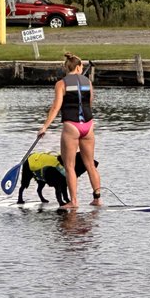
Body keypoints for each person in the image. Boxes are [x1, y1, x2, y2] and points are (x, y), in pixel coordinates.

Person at [38, 52, 102, 208]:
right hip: (88, 125)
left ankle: (73, 202)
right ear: (79, 67)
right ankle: (97, 198)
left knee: (69, 166)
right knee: (89, 164)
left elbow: (56, 107)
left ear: (67, 68)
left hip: (71, 127)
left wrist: (44, 126)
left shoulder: (61, 84)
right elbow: (89, 102)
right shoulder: (88, 82)